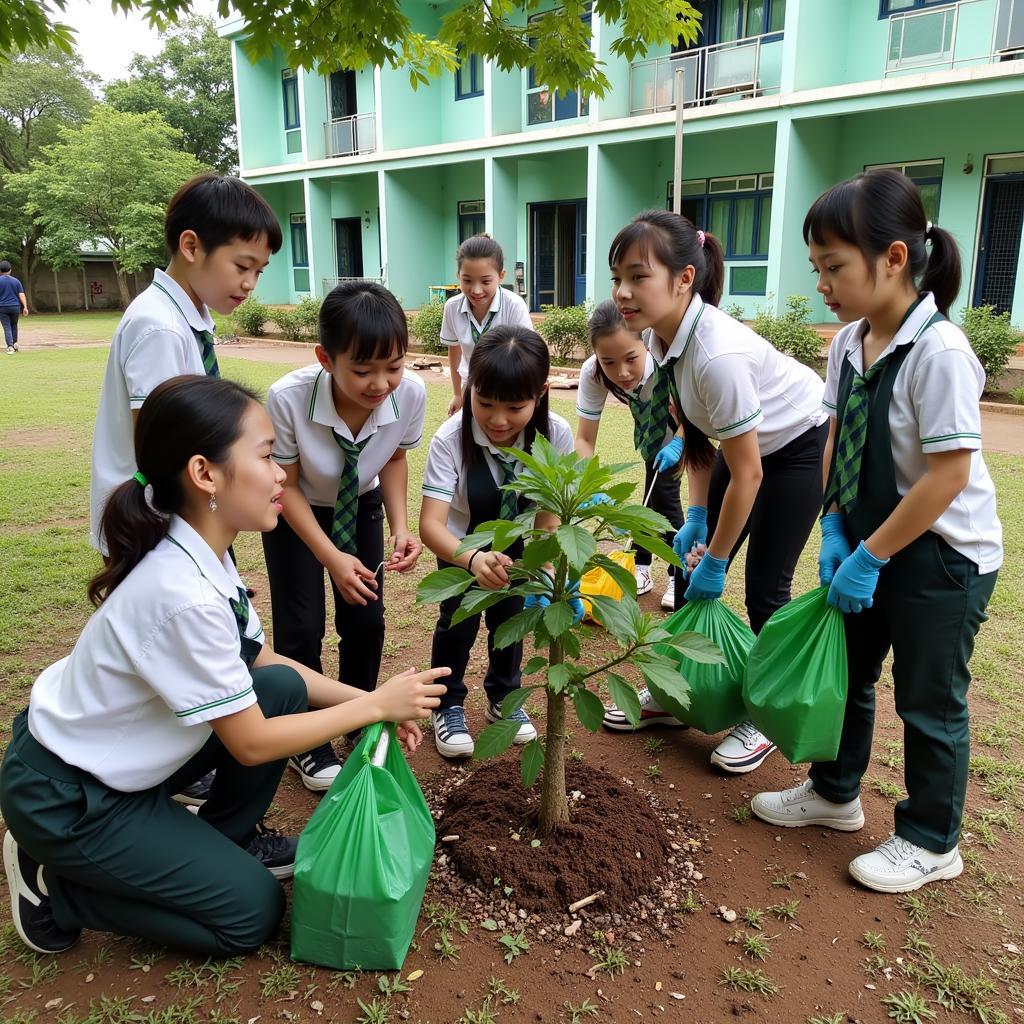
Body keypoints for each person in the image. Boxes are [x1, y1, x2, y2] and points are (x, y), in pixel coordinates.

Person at [0, 375, 448, 957]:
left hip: (116, 771)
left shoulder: (201, 551)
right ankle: (57, 886)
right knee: (250, 913)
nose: (281, 472)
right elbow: (252, 743)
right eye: (265, 455)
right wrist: (373, 705)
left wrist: (364, 706)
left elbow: (263, 661)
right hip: (70, 798)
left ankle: (212, 846)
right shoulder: (179, 590)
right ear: (205, 473)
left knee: (281, 685)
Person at [752, 169, 1002, 894]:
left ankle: (931, 840)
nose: (823, 283)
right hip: (865, 539)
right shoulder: (848, 343)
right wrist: (834, 524)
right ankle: (834, 794)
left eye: (835, 266)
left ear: (894, 258)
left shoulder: (941, 353)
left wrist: (871, 553)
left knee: (929, 699)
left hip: (942, 555)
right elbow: (835, 437)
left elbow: (946, 477)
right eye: (817, 268)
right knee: (850, 673)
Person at [601, 210, 828, 773]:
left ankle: (762, 716)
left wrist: (720, 556)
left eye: (637, 276)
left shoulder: (717, 355)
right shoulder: (660, 339)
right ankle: (686, 692)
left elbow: (748, 472)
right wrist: (698, 515)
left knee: (764, 590)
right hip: (742, 449)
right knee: (689, 562)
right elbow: (702, 440)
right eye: (616, 279)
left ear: (684, 279)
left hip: (797, 448)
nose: (623, 293)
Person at [263, 282, 426, 791]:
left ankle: (359, 717)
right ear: (325, 358)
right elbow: (284, 485)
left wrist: (401, 526)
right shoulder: (288, 398)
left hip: (362, 506)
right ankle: (306, 742)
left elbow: (395, 457)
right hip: (296, 511)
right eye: (362, 370)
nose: (380, 383)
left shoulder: (411, 394)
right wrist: (331, 555)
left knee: (366, 618)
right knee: (301, 625)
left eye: (393, 366)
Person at [420, 326, 577, 758]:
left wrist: (546, 570)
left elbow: (547, 516)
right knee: (458, 622)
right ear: (469, 387)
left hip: (519, 552)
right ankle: (447, 703)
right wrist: (472, 561)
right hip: (460, 548)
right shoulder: (450, 439)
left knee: (509, 624)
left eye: (515, 407)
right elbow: (431, 525)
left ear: (542, 393)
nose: (499, 419)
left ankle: (504, 700)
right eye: (485, 403)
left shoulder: (556, 435)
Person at [574, 299, 684, 610]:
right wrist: (587, 485)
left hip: (690, 426)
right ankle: (642, 567)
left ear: (646, 341)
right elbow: (584, 438)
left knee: (664, 494)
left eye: (630, 359)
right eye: (608, 361)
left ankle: (679, 574)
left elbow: (698, 414)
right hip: (651, 431)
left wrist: (678, 442)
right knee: (653, 494)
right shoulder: (593, 373)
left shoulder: (672, 361)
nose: (621, 372)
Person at [440, 235, 533, 416]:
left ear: (501, 276)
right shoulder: (452, 307)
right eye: (467, 280)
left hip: (507, 389)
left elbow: (528, 353)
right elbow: (454, 351)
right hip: (471, 388)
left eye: (485, 281)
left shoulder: (513, 305)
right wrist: (457, 394)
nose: (476, 290)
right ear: (458, 275)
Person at [0, 259, 29, 354]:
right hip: (15, 307)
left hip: (2, 307)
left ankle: (10, 346)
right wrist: (25, 306)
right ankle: (15, 342)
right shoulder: (16, 281)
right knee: (14, 325)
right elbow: (21, 294)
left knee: (7, 326)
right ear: (10, 270)